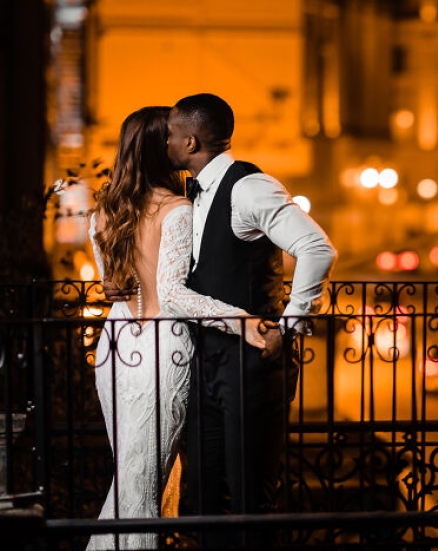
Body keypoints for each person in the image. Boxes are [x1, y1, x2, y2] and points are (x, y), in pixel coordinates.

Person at [87, 106, 267, 551]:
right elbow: (170, 295)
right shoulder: (178, 210)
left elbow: (112, 286)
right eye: (168, 136)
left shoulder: (103, 212)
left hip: (116, 346)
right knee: (143, 484)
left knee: (131, 475)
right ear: (158, 148)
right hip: (162, 349)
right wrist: (240, 320)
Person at [168, 92, 336, 546]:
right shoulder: (189, 193)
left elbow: (317, 248)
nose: (164, 141)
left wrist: (290, 325)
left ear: (190, 141)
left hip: (251, 362)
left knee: (250, 497)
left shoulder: (249, 186)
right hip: (203, 361)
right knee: (201, 493)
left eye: (169, 133)